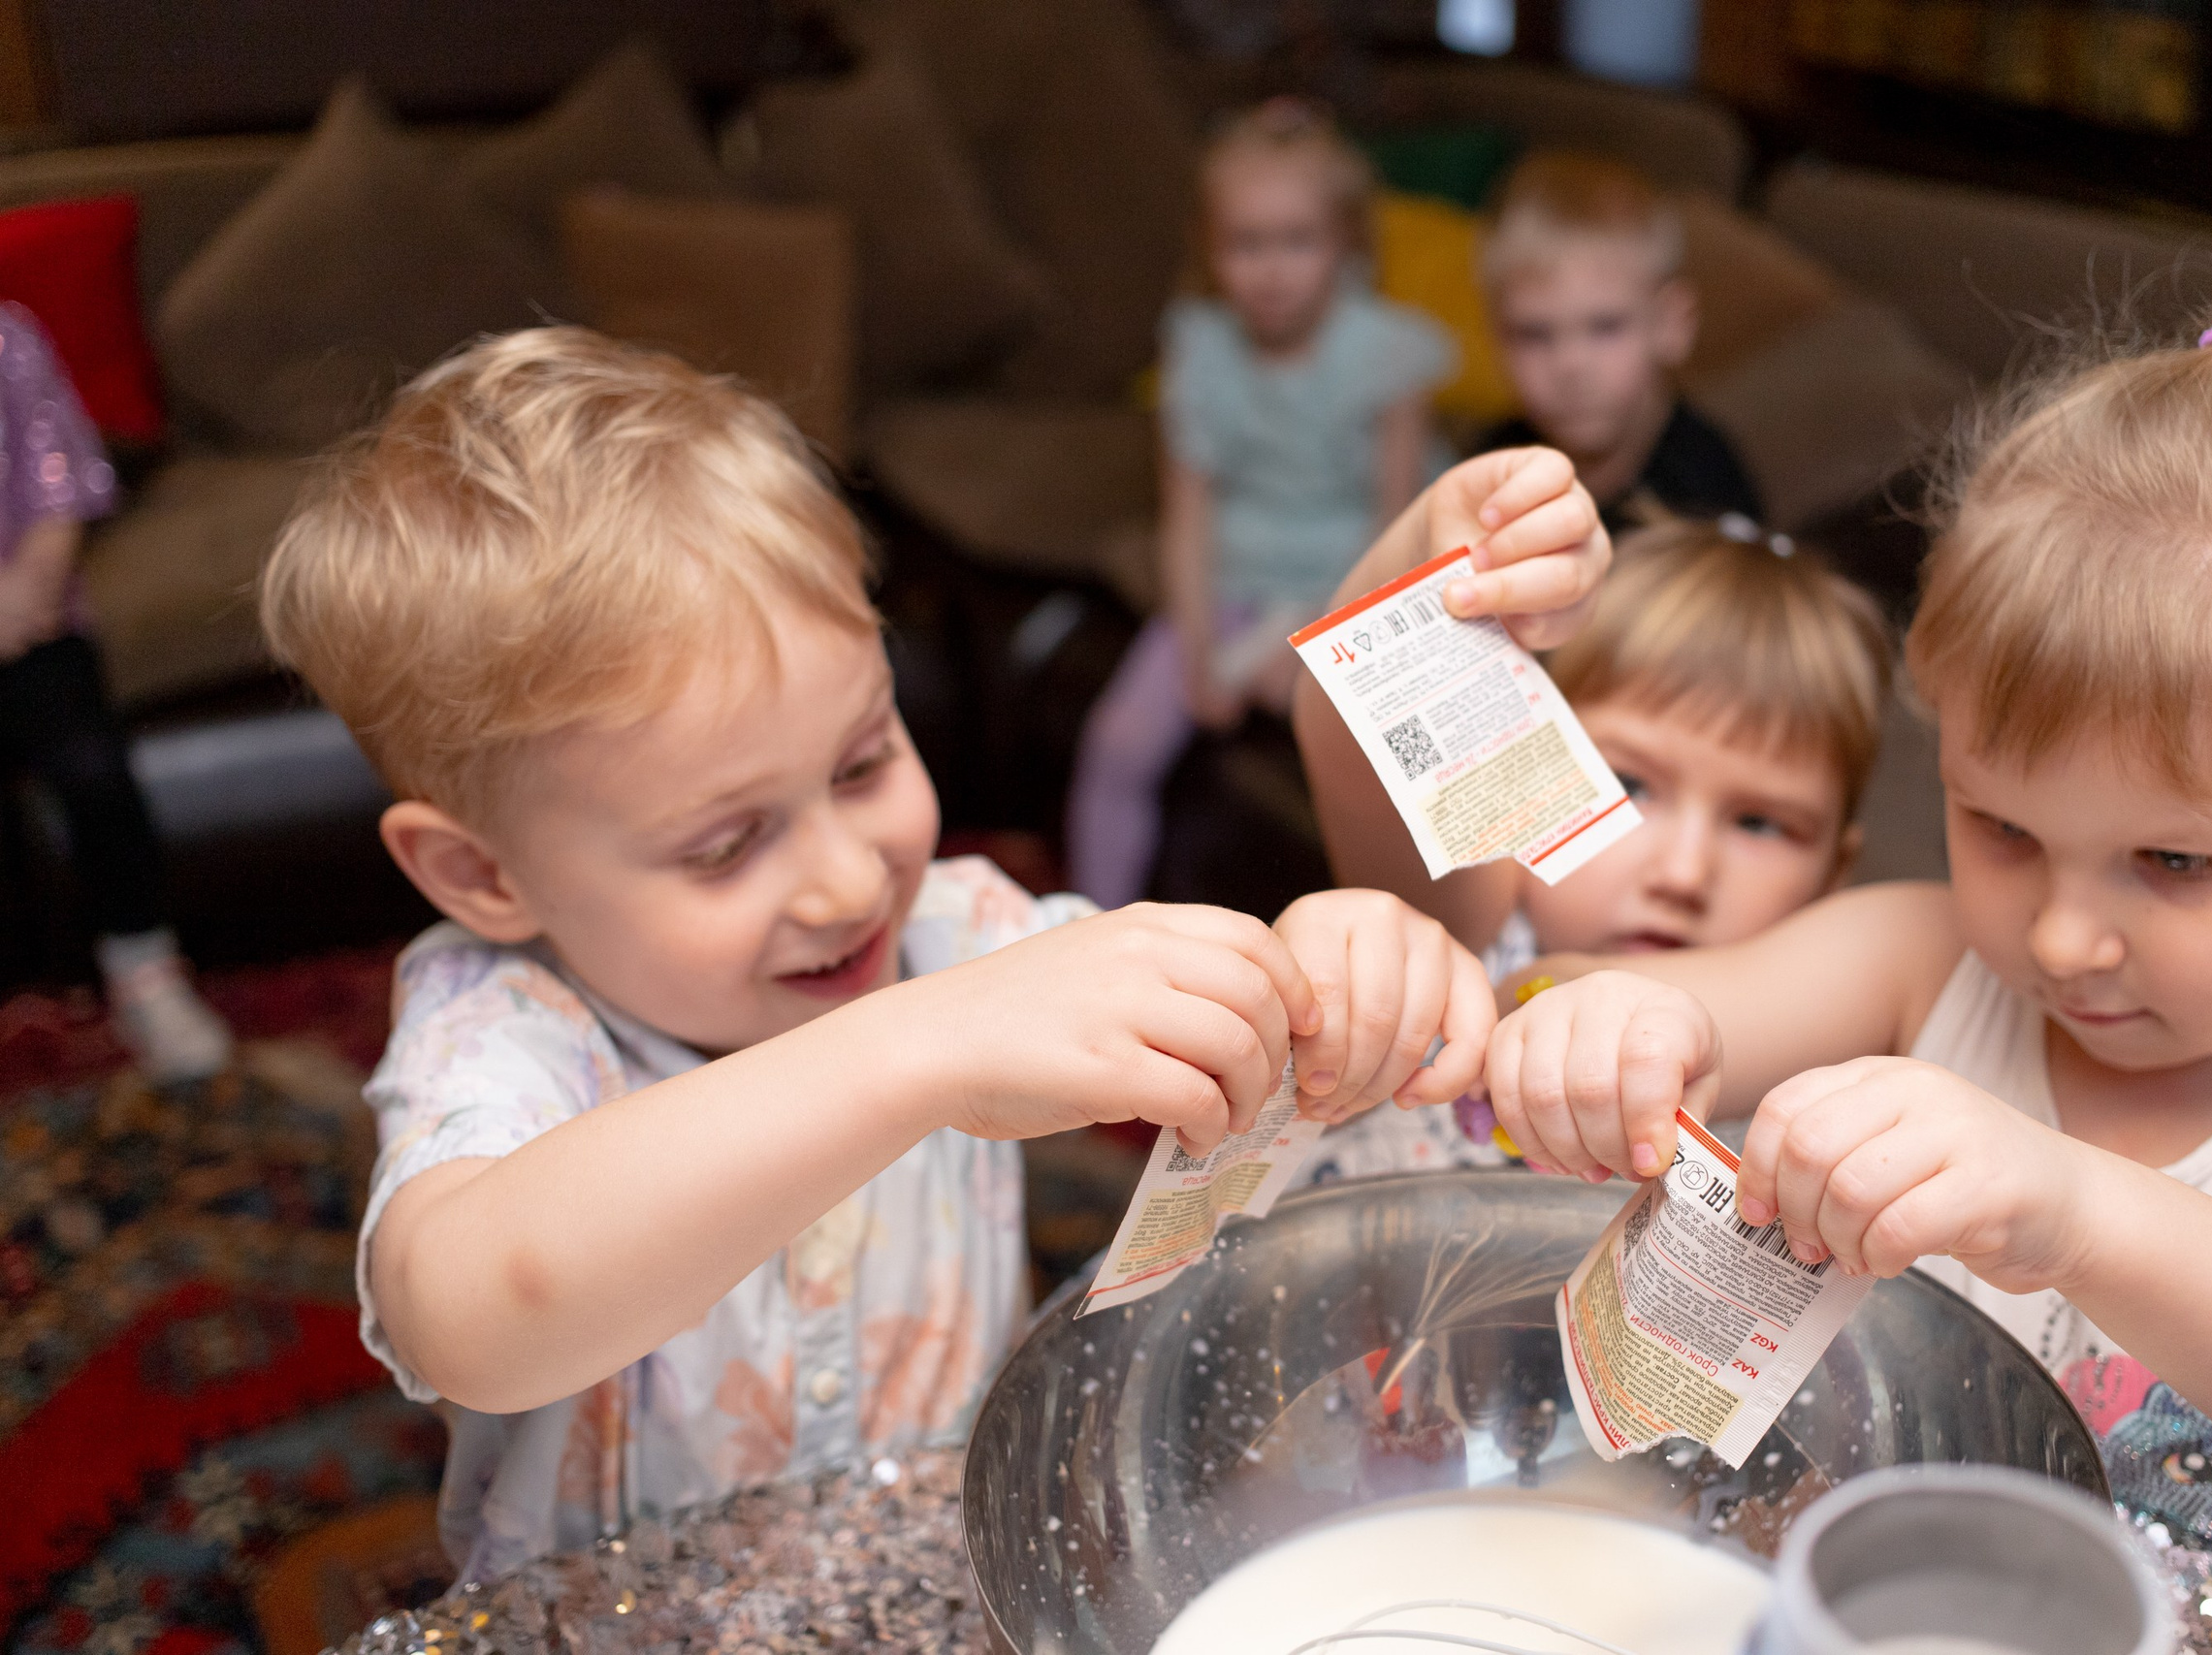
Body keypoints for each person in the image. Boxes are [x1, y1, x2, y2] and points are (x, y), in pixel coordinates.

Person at [256, 328, 1611, 1581]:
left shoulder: (953, 927)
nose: (849, 878)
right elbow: (476, 1317)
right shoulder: (499, 1028)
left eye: (863, 760)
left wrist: (1331, 948)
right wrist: (917, 1044)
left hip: (937, 1574)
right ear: (482, 872)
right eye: (726, 845)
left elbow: (1282, 1006)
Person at [1485, 278, 2212, 1615]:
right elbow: (1663, 1006)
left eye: (2176, 859)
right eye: (2001, 825)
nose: (2063, 937)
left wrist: (2077, 1208)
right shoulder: (1925, 958)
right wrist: (1611, 1024)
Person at [1289, 509, 1891, 1184]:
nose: (1684, 872)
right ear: (1517, 769)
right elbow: (1350, 745)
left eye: (1757, 823)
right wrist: (1429, 540)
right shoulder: (1467, 931)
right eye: (1630, 783)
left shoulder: (1816, 1058)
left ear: (1836, 872)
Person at [1066, 98, 1456, 908]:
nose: (1272, 268)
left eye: (1297, 241)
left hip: (1354, 586)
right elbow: (1190, 517)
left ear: (1344, 243)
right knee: (1117, 742)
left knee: (1385, 763)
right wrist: (1201, 644)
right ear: (1212, 249)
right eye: (1247, 244)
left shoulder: (1387, 354)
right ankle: (1091, 927)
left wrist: (1321, 637)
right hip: (1236, 585)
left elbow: (1400, 530)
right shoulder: (1199, 350)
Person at [0, 302, 230, 1082]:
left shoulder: (11, 336)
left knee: (96, 773)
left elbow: (62, 479)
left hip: (34, 621)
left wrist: (26, 591)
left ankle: (144, 966)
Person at [1471, 151, 1761, 530]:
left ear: (1673, 323)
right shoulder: (1490, 468)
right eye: (1534, 334)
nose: (1569, 364)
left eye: (1605, 326)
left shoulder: (1707, 495)